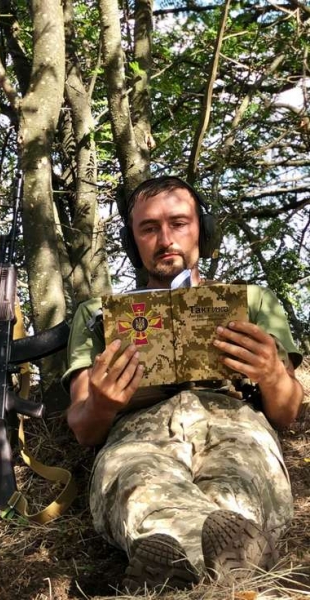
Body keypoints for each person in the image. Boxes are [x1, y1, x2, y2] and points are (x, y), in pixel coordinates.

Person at [62, 176, 304, 592]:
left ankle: (176, 569)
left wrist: (271, 373)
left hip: (234, 419)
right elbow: (83, 427)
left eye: (178, 223)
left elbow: (287, 413)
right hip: (138, 430)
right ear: (132, 241)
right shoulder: (96, 314)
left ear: (202, 231)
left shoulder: (253, 301)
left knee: (239, 483)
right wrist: (102, 402)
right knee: (139, 484)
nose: (165, 239)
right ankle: (234, 563)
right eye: (149, 228)